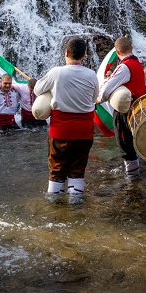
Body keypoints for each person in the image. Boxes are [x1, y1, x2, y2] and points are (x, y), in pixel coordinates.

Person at [34, 37, 99, 198]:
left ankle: (54, 212)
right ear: (84, 55)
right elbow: (94, 98)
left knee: (56, 171)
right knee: (77, 171)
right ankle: (76, 211)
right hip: (84, 133)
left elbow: (37, 90)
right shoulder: (92, 75)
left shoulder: (57, 72)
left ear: (66, 52)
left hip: (60, 131)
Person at [97, 36, 146, 179]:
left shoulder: (124, 66)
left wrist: (97, 99)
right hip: (137, 108)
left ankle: (132, 178)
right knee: (131, 142)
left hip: (125, 111)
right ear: (131, 48)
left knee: (125, 143)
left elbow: (106, 89)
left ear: (117, 52)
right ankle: (134, 173)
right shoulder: (137, 63)